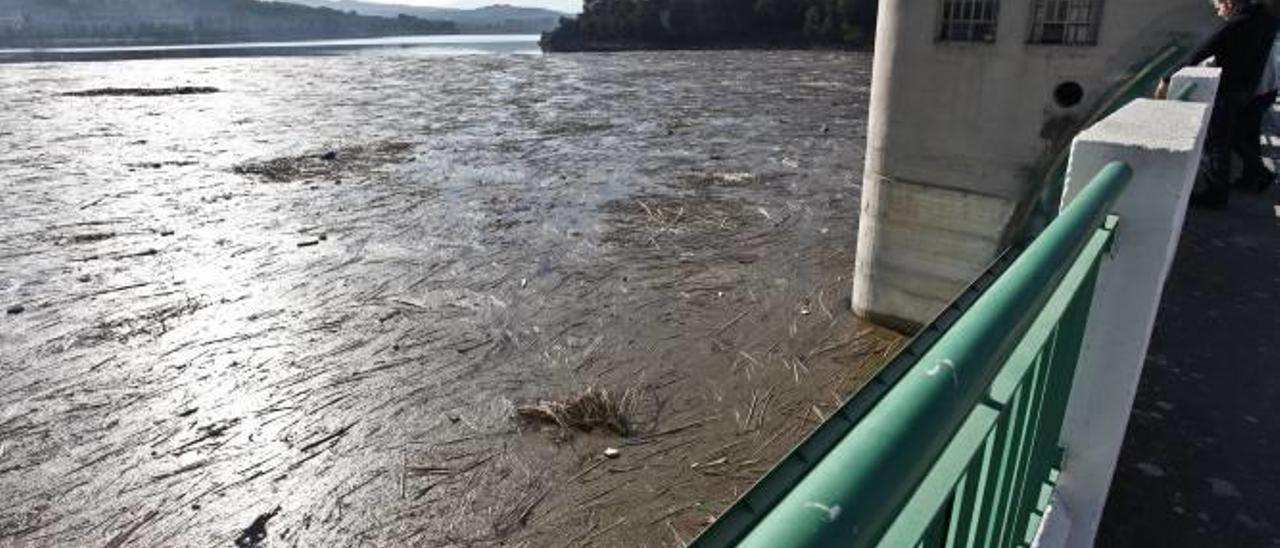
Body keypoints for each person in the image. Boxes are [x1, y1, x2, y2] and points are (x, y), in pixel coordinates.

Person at [1157, 0, 1278, 209]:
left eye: (1219, 4)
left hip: (1230, 90)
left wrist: (1167, 78)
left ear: (1230, 3)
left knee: (1216, 142)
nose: (1217, 9)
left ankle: (1216, 195)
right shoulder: (1266, 20)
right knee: (1239, 136)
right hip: (1253, 90)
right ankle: (1256, 175)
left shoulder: (1237, 23)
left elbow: (1202, 51)